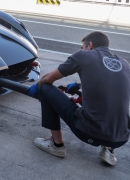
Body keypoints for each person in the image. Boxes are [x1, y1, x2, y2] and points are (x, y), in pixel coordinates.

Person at [27, 31, 130, 166]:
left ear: (90, 45)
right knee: (112, 101)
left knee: (45, 88)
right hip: (121, 138)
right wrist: (78, 85)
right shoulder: (125, 64)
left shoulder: (84, 55)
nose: (82, 50)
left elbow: (47, 79)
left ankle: (56, 145)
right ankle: (109, 151)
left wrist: (38, 86)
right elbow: (111, 85)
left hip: (88, 133)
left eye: (83, 47)